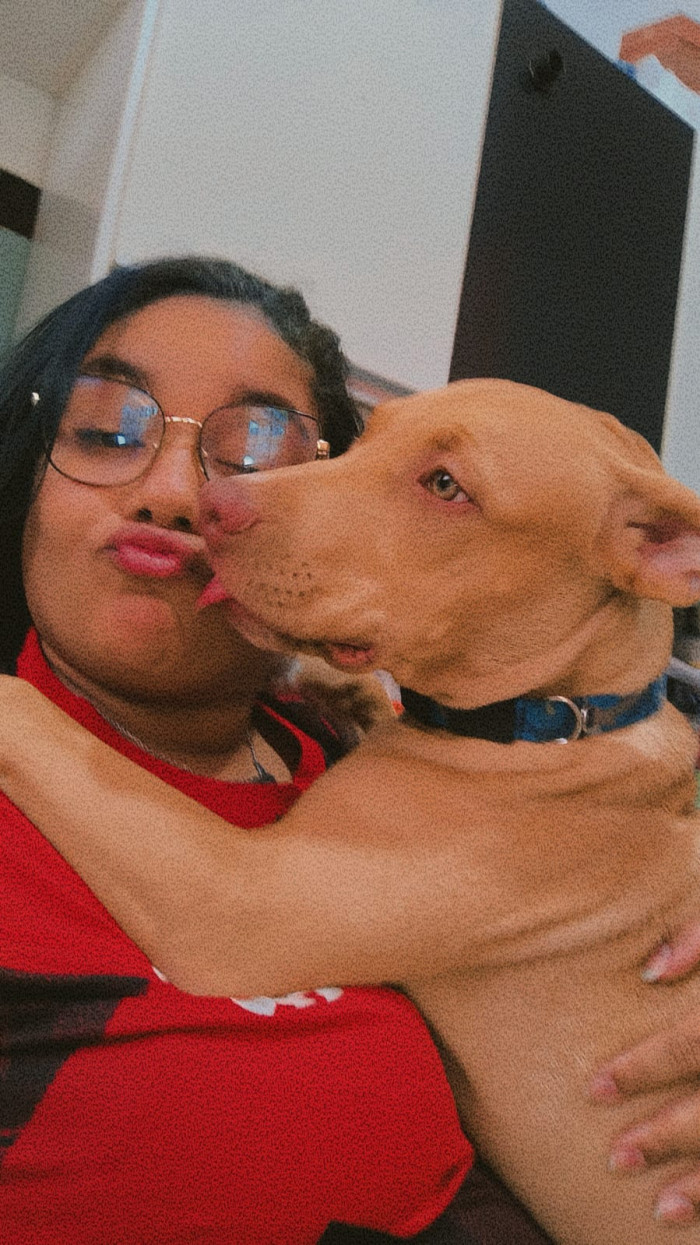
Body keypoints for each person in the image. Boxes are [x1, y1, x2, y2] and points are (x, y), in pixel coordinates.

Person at [1, 255, 700, 1243]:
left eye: (443, 485)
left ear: (661, 550)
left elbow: (229, 922)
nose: (195, 496)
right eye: (108, 429)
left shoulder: (395, 748)